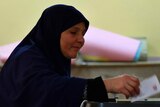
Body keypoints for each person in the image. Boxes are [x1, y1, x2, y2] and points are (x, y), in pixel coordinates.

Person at [0, 4, 140, 107]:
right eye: (74, 32)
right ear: (52, 33)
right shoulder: (27, 58)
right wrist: (107, 85)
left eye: (83, 33)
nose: (81, 39)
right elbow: (50, 90)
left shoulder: (53, 58)